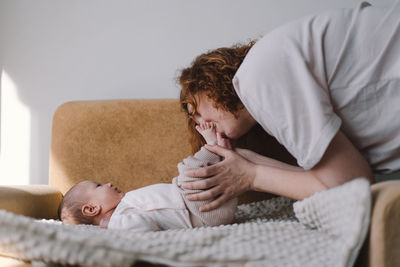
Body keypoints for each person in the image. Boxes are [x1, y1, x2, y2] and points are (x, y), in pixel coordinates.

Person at [178, 1, 400, 212]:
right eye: (196, 123)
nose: (201, 125)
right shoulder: (269, 82)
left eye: (196, 112)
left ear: (208, 83)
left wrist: (251, 176)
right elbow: (331, 179)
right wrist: (251, 163)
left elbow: (351, 187)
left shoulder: (257, 76)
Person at [58, 122, 237, 230]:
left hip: (207, 203)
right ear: (92, 209)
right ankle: (213, 146)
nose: (109, 183)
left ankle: (223, 157)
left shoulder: (125, 206)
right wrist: (109, 225)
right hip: (198, 212)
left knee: (200, 178)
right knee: (187, 172)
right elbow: (143, 228)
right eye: (98, 186)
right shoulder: (118, 222)